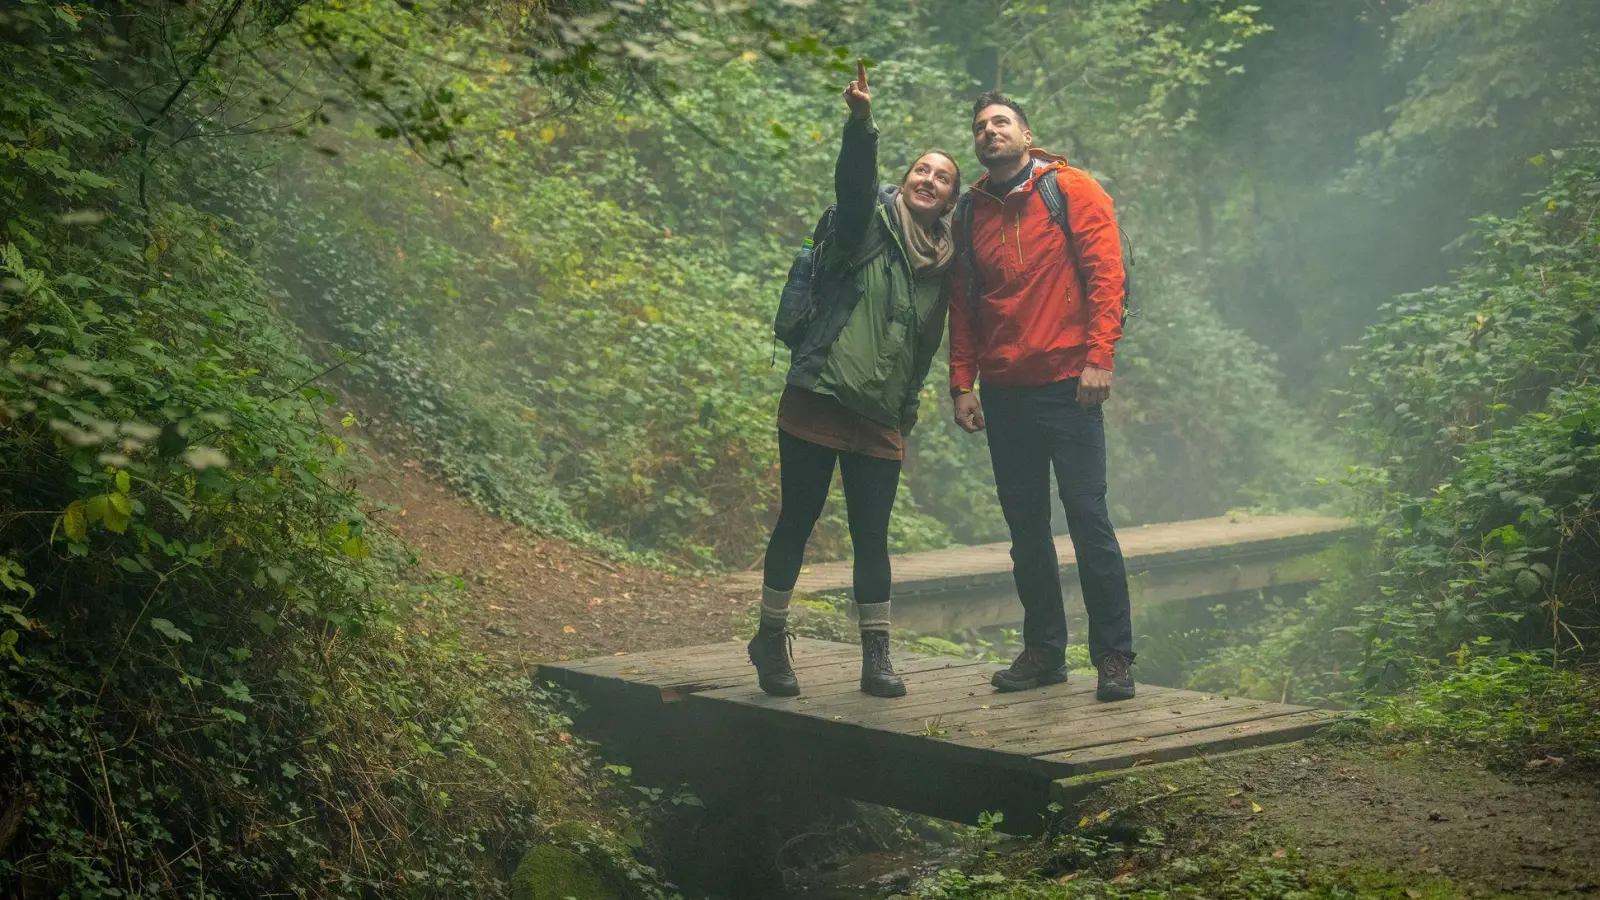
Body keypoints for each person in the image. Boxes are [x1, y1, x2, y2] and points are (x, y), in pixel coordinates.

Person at [749, 62, 961, 699]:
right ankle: (770, 636)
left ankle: (876, 656)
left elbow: (923, 353)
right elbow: (853, 181)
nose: (929, 179)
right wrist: (861, 125)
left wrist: (906, 413)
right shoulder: (864, 225)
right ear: (904, 179)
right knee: (799, 519)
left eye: (943, 178)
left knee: (873, 537)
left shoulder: (943, 269)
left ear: (952, 200)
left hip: (881, 419)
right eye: (922, 169)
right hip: (820, 397)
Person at [948, 92, 1136, 701]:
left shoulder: (1071, 189)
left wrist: (1099, 358)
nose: (989, 132)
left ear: (1027, 135)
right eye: (980, 127)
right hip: (1004, 393)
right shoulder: (970, 211)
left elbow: (1108, 277)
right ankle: (1044, 652)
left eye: (1001, 122)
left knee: (1088, 518)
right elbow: (964, 304)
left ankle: (1113, 656)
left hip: (1068, 386)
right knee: (1026, 527)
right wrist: (962, 382)